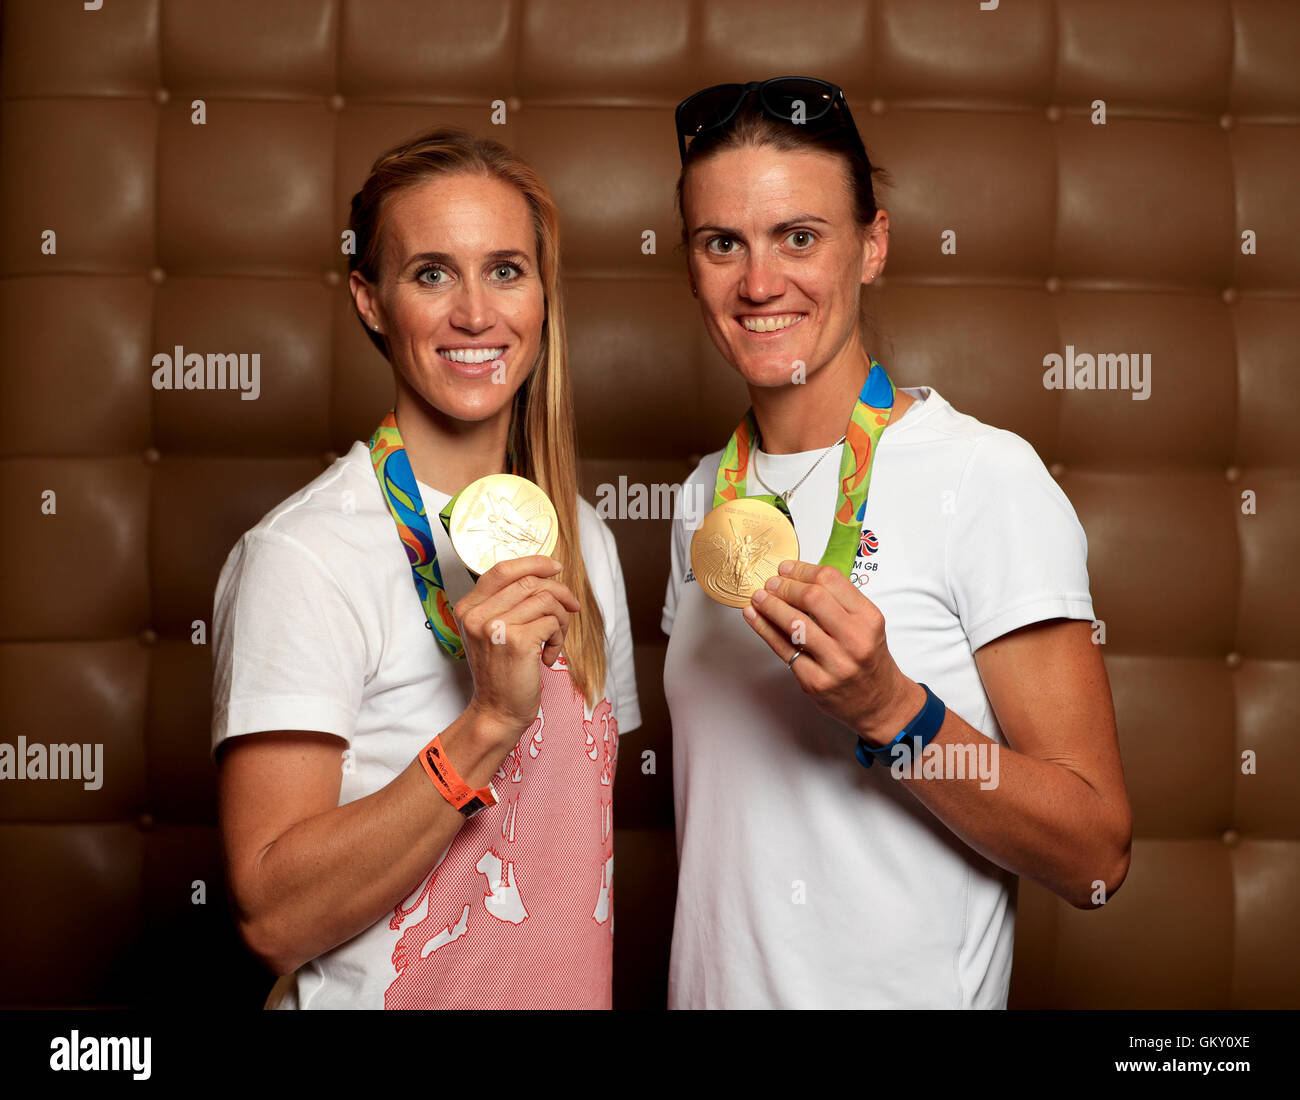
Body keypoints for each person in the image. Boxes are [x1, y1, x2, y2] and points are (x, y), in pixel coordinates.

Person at [662, 77, 1131, 1008]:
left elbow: (1097, 854)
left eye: (800, 236)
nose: (760, 283)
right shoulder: (697, 501)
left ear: (872, 246)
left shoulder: (983, 477)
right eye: (724, 243)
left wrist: (894, 714)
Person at [211, 127, 640, 1009]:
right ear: (371, 301)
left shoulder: (586, 540)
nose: (476, 314)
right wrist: (486, 722)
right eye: (432, 273)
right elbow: (272, 923)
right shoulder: (303, 557)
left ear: (543, 294)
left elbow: (564, 855)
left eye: (507, 270)